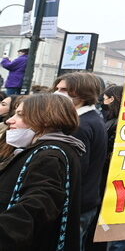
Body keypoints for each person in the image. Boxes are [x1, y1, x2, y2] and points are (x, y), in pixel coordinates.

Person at [0, 93, 86, 250]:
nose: (9, 120)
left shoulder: (50, 155)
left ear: (45, 119)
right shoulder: (51, 149)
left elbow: (38, 205)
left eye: (20, 115)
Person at [53, 72, 108, 251]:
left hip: (76, 204)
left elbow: (75, 169)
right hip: (84, 201)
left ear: (82, 93)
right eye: (57, 88)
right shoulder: (91, 119)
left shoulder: (80, 125)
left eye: (65, 90)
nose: (57, 93)